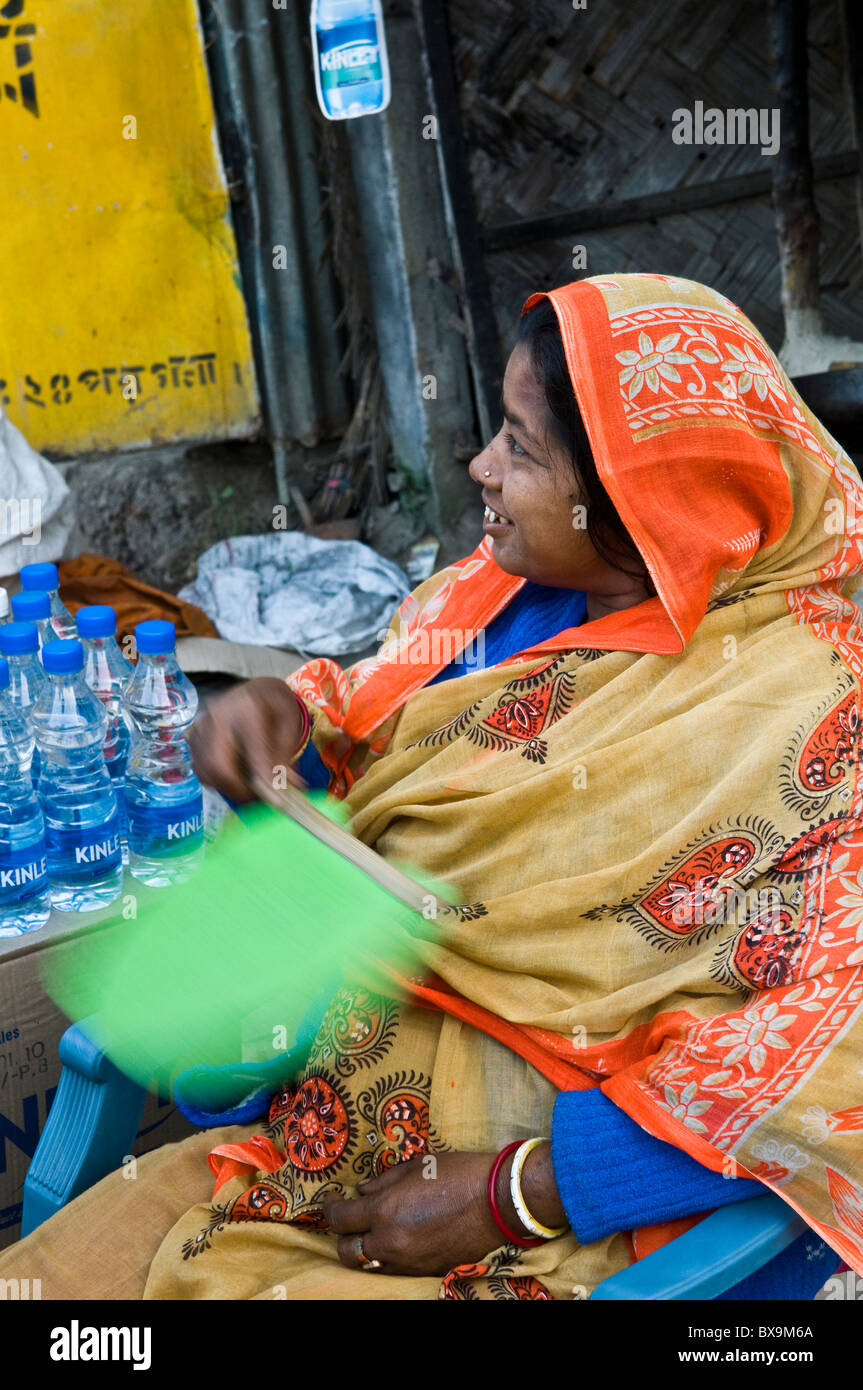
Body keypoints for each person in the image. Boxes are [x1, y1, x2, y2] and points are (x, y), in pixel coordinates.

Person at [1, 272, 859, 1299]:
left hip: (570, 1223)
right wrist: (288, 734)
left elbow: (824, 1069)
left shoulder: (814, 712)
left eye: (520, 448)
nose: (479, 467)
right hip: (316, 1149)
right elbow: (370, 738)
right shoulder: (498, 599)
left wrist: (516, 1192)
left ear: (635, 500)